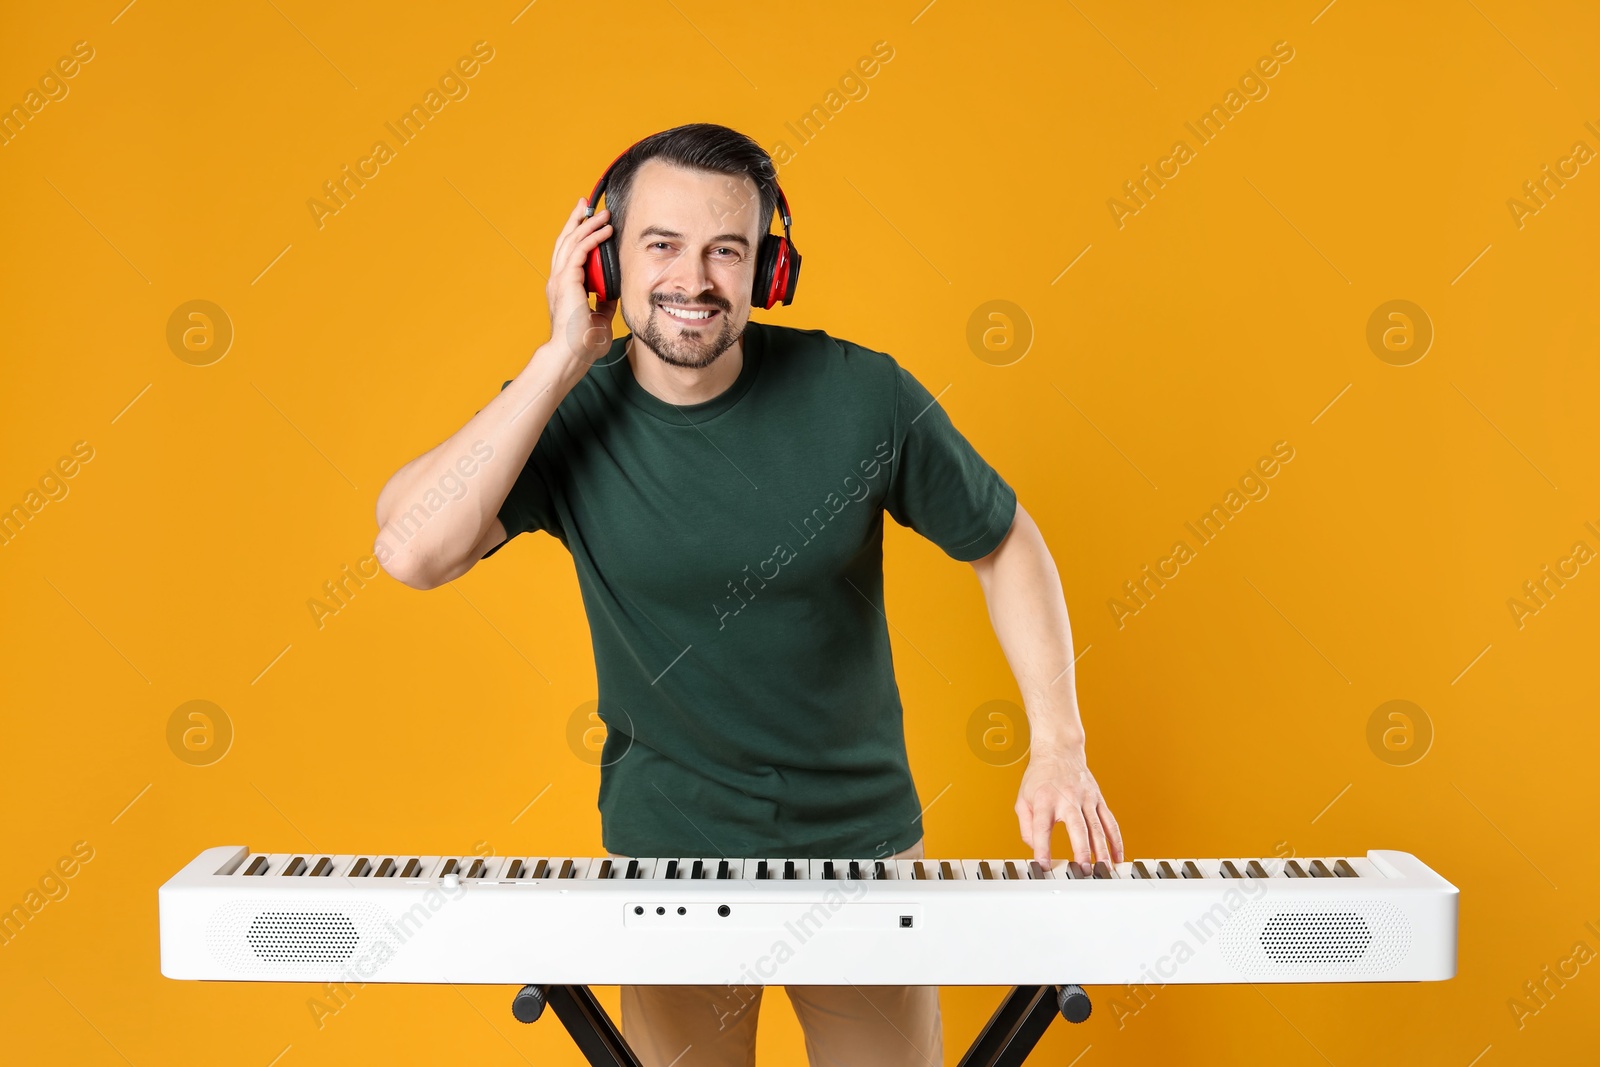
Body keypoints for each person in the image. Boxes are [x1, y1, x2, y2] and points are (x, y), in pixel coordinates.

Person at [373, 122, 1123, 1067]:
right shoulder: (563, 413)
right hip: (665, 857)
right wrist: (561, 354)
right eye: (661, 245)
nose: (695, 279)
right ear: (602, 261)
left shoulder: (862, 395)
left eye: (726, 249)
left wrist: (1059, 743)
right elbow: (411, 550)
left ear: (768, 270)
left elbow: (1006, 539)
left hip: (862, 855)